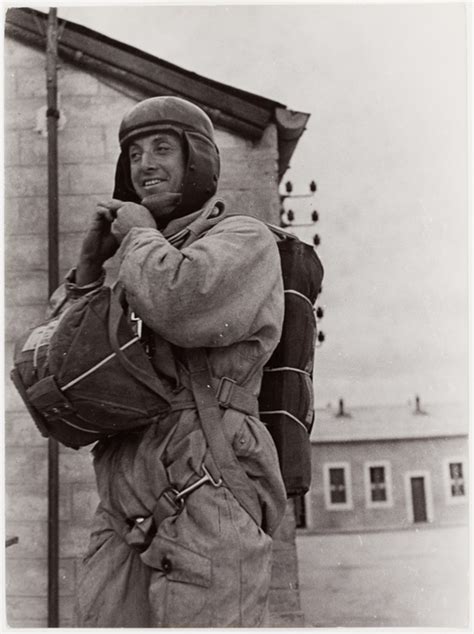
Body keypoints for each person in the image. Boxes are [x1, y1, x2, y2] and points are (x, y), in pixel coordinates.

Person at [67, 96, 287, 627]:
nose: (145, 165)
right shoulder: (140, 265)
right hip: (123, 499)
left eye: (162, 149)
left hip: (207, 480)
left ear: (198, 162)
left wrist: (138, 235)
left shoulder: (243, 238)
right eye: (135, 154)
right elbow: (57, 373)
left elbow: (181, 305)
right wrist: (87, 274)